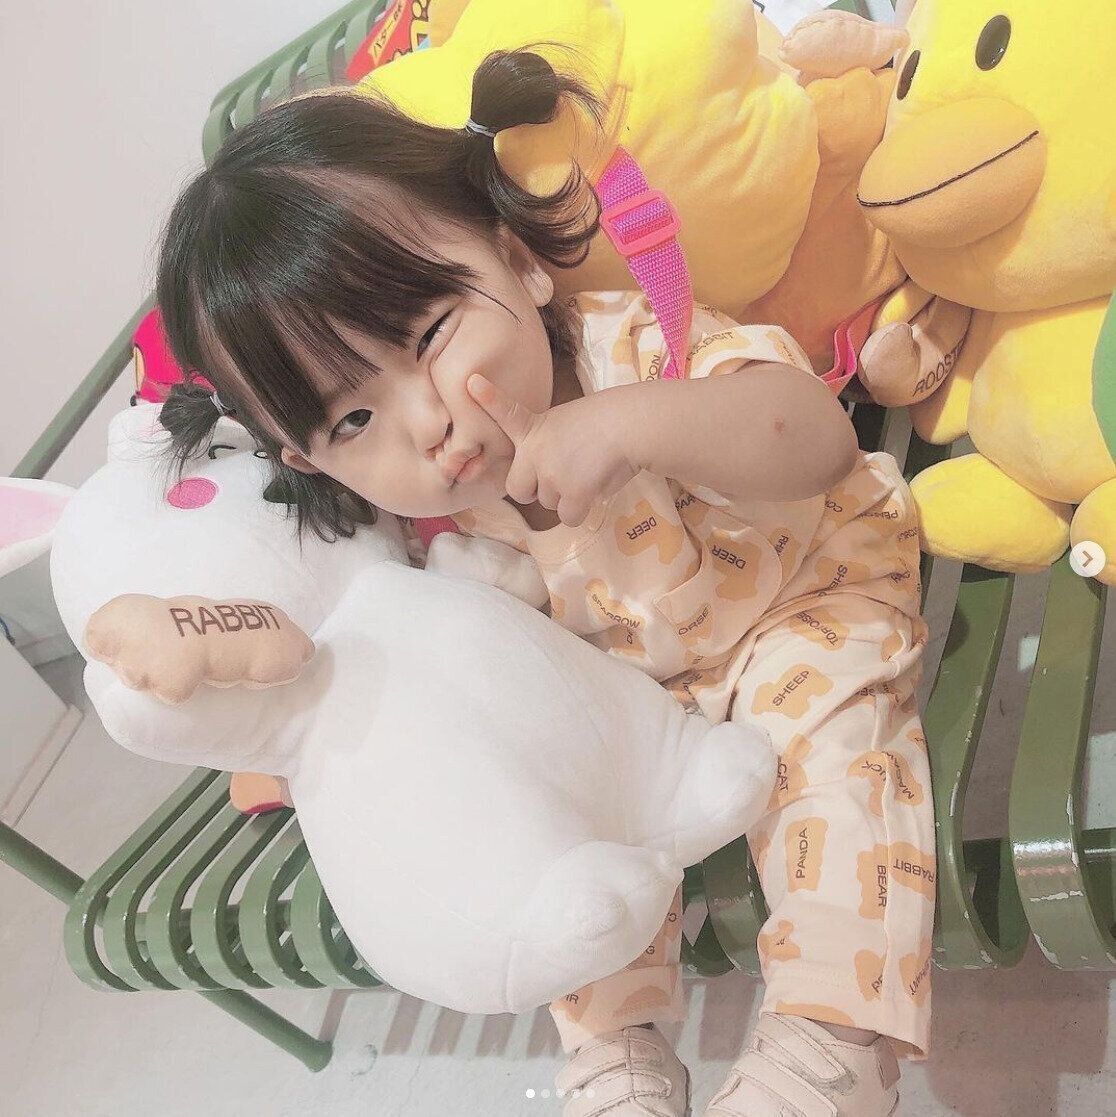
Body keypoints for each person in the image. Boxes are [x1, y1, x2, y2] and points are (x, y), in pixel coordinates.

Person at [156, 50, 933, 1117]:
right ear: (307, 459)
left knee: (832, 758)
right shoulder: (420, 525)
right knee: (554, 814)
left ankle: (830, 1035)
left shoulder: (640, 344)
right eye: (352, 419)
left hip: (800, 595)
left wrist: (633, 425)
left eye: (431, 335)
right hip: (631, 691)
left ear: (519, 259)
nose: (428, 421)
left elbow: (815, 441)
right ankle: (616, 1052)